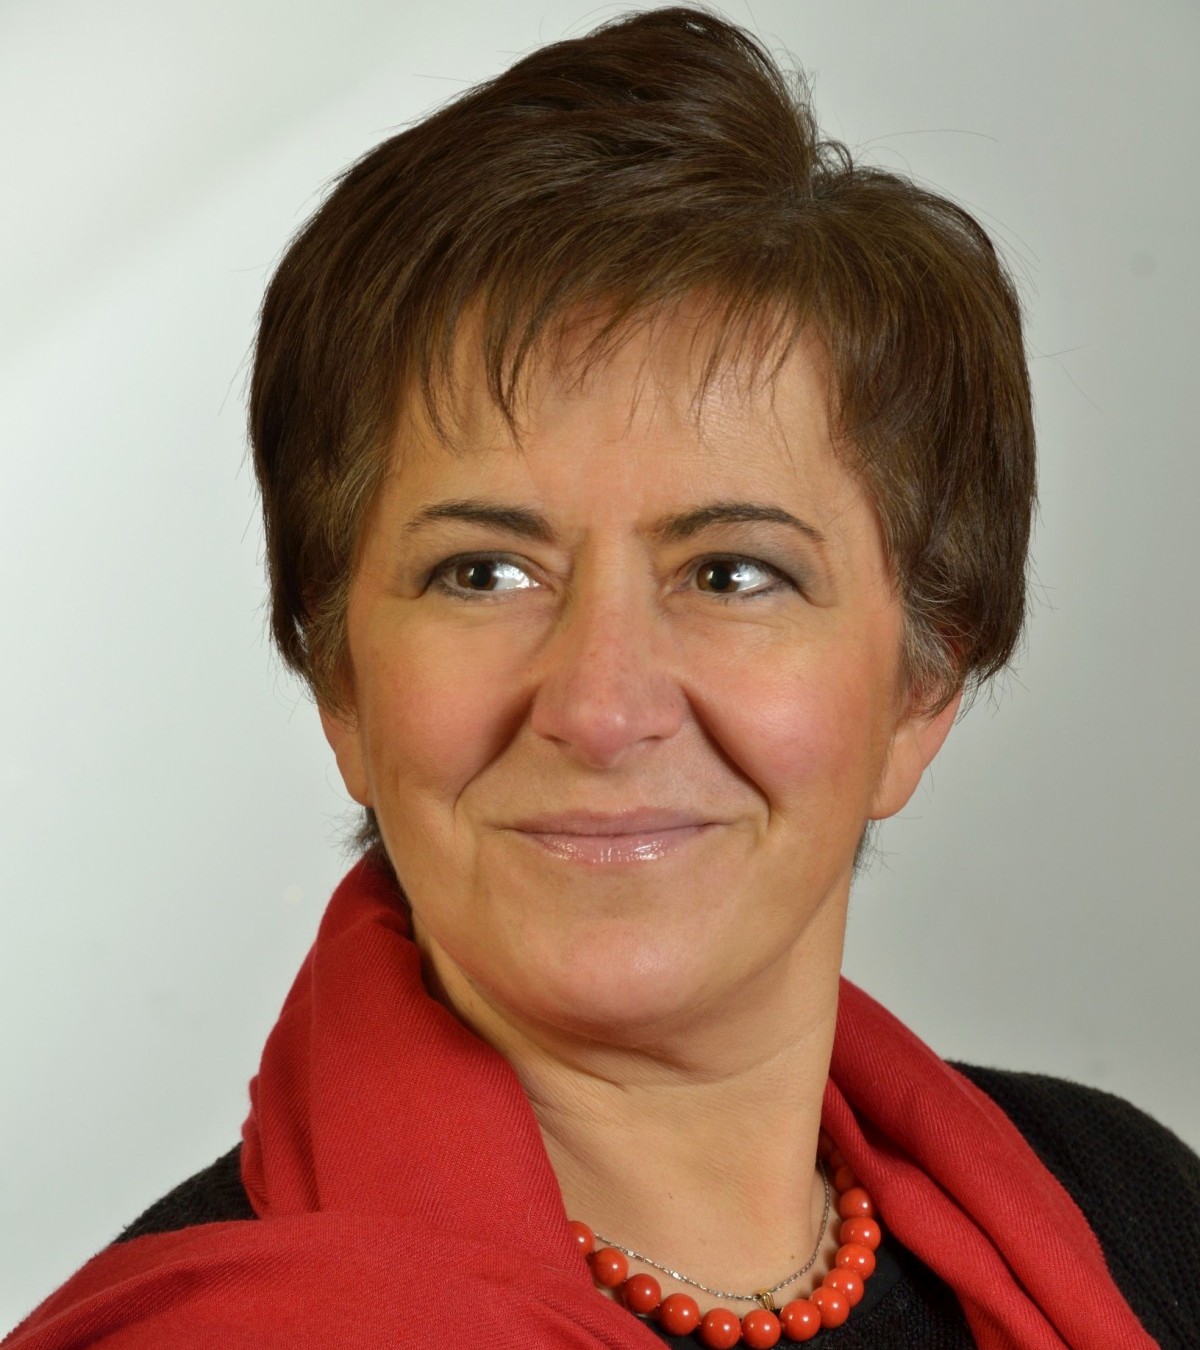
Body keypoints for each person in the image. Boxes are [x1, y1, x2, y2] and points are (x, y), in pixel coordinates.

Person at [6, 7, 1197, 1348]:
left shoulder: (1133, 1214)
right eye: (482, 573)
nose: (600, 705)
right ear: (341, 685)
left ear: (921, 689)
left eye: (733, 573)